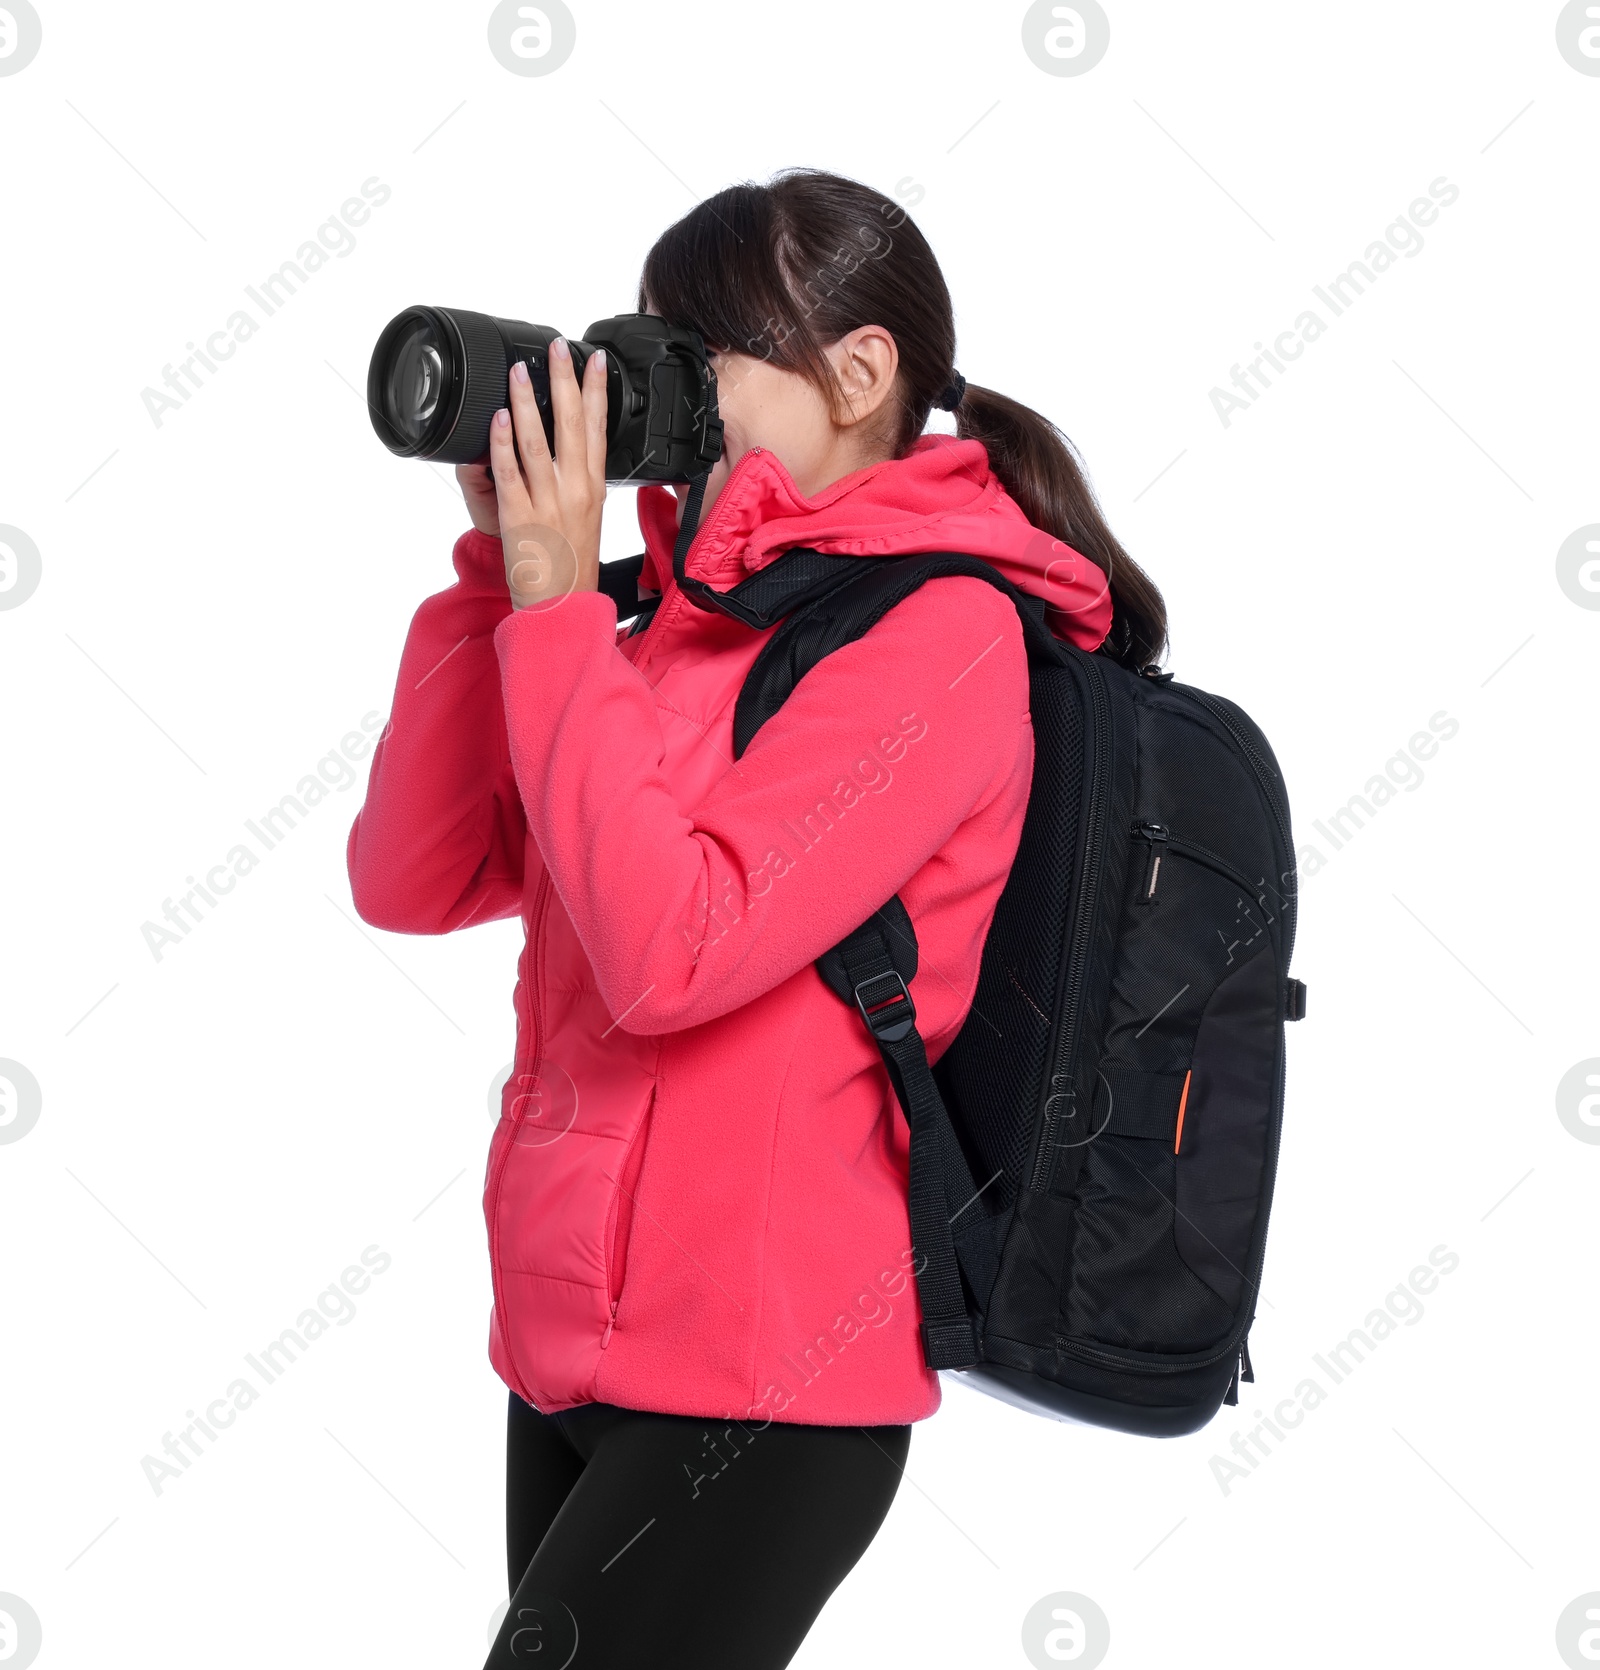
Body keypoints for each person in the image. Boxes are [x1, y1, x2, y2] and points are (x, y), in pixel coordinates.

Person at [347, 166, 1166, 1670]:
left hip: (763, 1384)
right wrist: (496, 575)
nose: (647, 392)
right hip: (569, 1351)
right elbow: (412, 874)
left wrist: (552, 613)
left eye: (694, 353)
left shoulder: (944, 634)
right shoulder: (656, 627)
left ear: (859, 374)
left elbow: (674, 952)